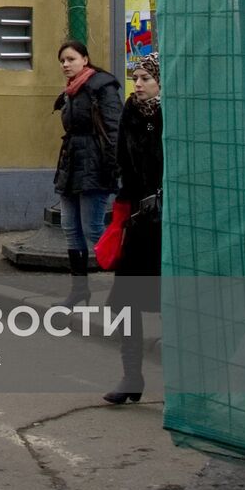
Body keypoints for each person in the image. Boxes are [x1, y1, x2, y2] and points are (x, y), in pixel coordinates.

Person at [104, 53, 162, 404]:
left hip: (168, 222)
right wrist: (121, 213)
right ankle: (131, 376)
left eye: (144, 78)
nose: (137, 84)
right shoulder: (130, 112)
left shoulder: (172, 113)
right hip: (139, 220)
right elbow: (123, 163)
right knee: (126, 301)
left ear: (160, 80)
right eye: (135, 77)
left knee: (174, 299)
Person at [52, 40, 121, 308]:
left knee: (93, 228)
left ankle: (124, 285)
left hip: (95, 164)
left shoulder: (102, 87)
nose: (65, 65)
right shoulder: (70, 91)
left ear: (85, 59)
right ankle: (79, 289)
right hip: (71, 163)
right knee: (70, 228)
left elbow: (114, 128)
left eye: (70, 59)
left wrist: (114, 167)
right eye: (62, 61)